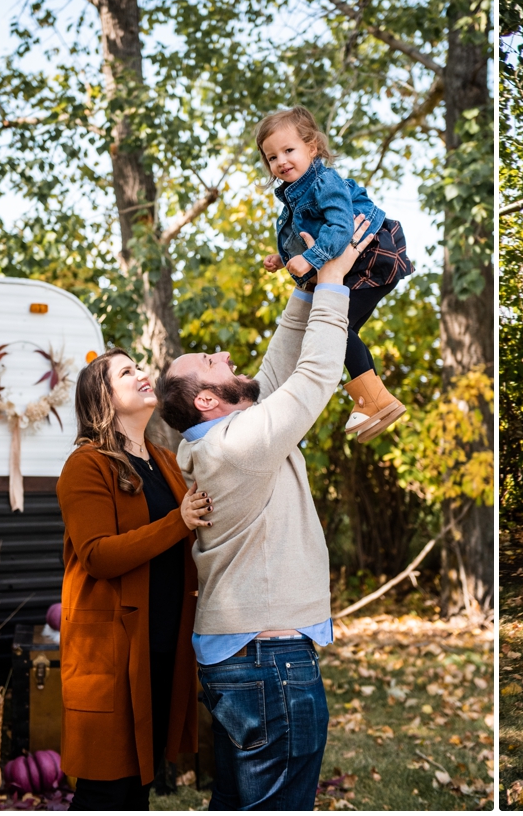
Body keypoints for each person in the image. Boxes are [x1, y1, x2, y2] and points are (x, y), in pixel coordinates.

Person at [155, 216, 369, 810]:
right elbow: (317, 374)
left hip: (245, 659)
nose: (224, 353)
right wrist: (334, 282)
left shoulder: (224, 439)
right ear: (206, 399)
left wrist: (306, 284)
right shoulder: (238, 446)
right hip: (269, 662)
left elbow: (276, 369)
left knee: (240, 801)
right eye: (211, 360)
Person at [56, 350, 213, 809]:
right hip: (112, 656)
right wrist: (178, 522)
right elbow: (98, 555)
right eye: (127, 372)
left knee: (139, 785)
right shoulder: (86, 464)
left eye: (140, 368)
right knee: (107, 788)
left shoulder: (164, 461)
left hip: (162, 644)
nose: (143, 375)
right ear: (102, 397)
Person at [255, 106, 412, 442]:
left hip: (372, 256)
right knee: (341, 330)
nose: (280, 161)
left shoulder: (325, 181)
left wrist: (312, 258)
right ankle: (376, 401)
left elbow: (340, 227)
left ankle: (372, 400)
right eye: (271, 157)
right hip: (356, 264)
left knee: (332, 328)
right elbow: (307, 234)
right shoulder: (292, 199)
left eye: (288, 150)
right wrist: (283, 259)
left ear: (312, 147)